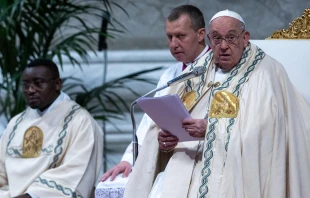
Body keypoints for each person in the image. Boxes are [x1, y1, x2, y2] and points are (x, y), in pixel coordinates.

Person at [124, 9, 310, 198]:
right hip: (185, 167)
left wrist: (211, 130)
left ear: (245, 38)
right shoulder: (197, 71)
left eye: (231, 38)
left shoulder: (266, 73)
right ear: (208, 39)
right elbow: (166, 126)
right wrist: (166, 142)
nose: (222, 46)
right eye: (216, 39)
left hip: (235, 172)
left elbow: (267, 133)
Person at [99, 4, 210, 182]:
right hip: (172, 161)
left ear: (201, 34)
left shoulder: (218, 69)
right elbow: (149, 123)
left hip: (206, 161)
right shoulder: (170, 74)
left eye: (181, 36)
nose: (174, 44)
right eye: (169, 37)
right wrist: (129, 159)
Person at [0, 59, 104, 198]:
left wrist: (30, 196)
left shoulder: (80, 122)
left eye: (38, 83)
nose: (30, 90)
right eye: (25, 85)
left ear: (57, 84)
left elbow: (74, 175)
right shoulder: (16, 123)